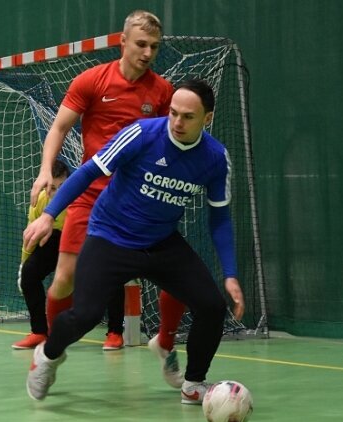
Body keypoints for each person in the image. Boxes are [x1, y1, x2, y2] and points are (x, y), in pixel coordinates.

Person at [23, 79, 245, 403]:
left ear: (207, 119)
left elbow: (221, 218)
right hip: (110, 236)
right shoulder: (141, 134)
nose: (177, 122)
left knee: (211, 307)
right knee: (84, 314)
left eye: (188, 116)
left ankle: (194, 383)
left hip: (161, 241)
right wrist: (48, 214)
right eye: (173, 113)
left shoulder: (215, 158)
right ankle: (48, 355)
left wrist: (230, 273)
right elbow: (87, 173)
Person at [29, 9, 177, 351]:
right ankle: (53, 347)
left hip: (136, 199)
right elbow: (59, 127)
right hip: (90, 194)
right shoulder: (92, 80)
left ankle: (161, 342)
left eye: (154, 47)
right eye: (141, 44)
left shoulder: (162, 91)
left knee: (172, 273)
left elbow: (169, 141)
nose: (147, 53)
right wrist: (45, 170)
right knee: (65, 278)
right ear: (122, 42)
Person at [12, 160, 70, 349]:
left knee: (109, 276)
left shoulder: (80, 199)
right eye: (52, 188)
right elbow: (31, 235)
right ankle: (39, 332)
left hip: (81, 243)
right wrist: (24, 266)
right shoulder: (40, 199)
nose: (57, 193)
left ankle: (115, 332)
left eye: (62, 187)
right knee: (29, 275)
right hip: (52, 243)